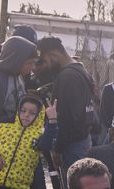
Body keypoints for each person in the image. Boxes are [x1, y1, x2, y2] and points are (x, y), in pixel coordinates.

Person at [36, 36, 97, 172]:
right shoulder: (80, 69)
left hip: (72, 146)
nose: (46, 65)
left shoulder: (67, 77)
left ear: (54, 55)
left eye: (45, 60)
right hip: (83, 139)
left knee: (72, 188)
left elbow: (66, 118)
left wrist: (58, 148)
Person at [0, 36, 38, 133]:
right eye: (29, 63)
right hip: (0, 144)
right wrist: (22, 117)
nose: (32, 67)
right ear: (15, 60)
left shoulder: (16, 73)